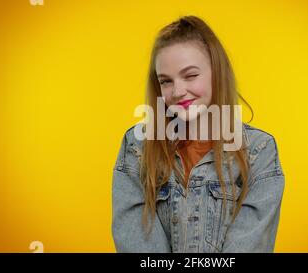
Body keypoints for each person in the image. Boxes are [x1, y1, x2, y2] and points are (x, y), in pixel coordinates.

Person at [112, 15, 285, 253]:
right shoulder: (137, 147)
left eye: (191, 75)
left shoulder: (258, 150)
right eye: (166, 81)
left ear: (216, 71)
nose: (178, 91)